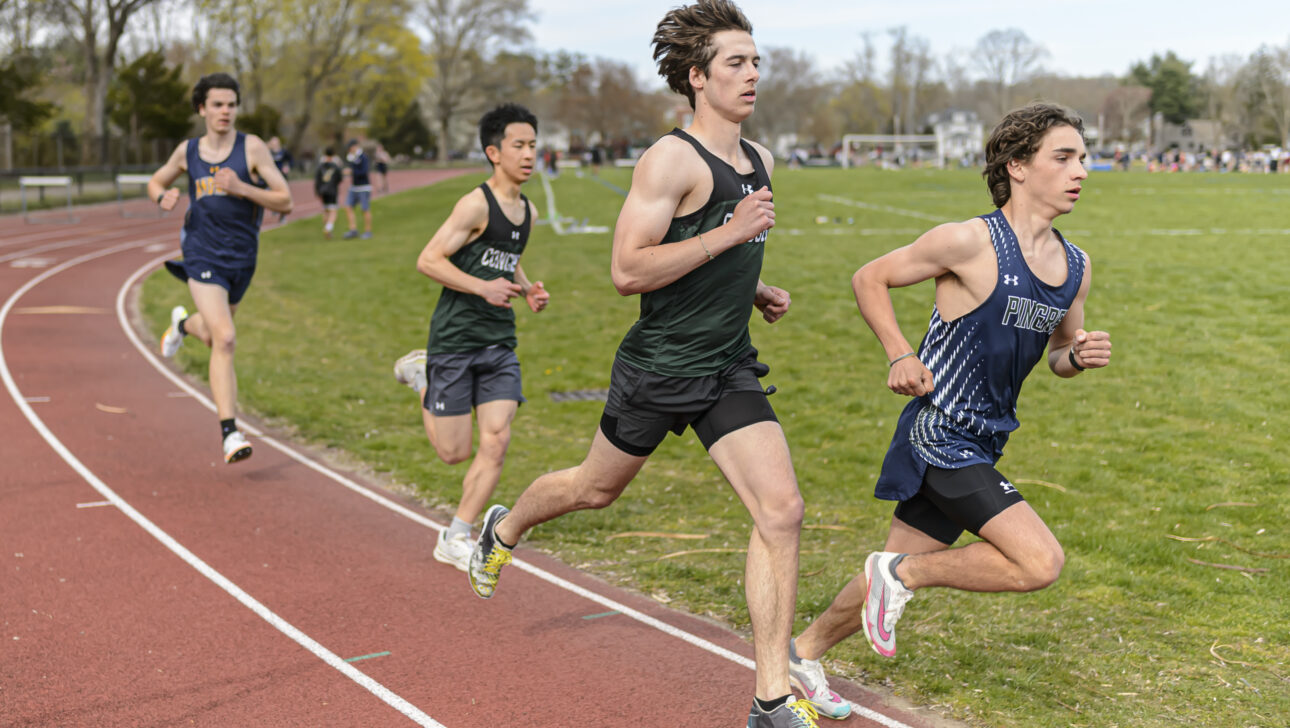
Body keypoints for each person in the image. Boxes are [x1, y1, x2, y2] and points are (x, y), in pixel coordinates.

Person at [466, 4, 820, 726]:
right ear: (697, 77)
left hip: (725, 366)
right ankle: (503, 528)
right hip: (659, 368)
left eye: (756, 61)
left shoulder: (761, 162)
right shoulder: (670, 159)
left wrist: (754, 289)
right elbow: (627, 270)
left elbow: (710, 251)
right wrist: (730, 236)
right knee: (593, 491)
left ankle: (772, 697)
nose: (753, 74)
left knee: (782, 510)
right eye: (735, 63)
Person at [786, 103, 1112, 705]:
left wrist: (1080, 356)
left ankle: (800, 654)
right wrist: (898, 353)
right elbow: (869, 277)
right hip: (939, 435)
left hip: (984, 440)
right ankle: (903, 578)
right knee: (1039, 562)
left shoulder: (1075, 267)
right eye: (1063, 157)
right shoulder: (968, 241)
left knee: (884, 566)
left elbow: (1062, 353)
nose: (1081, 171)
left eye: (1084, 158)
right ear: (1018, 165)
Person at [391, 103, 550, 571]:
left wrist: (526, 289)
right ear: (493, 152)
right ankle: (423, 379)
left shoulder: (528, 211)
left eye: (533, 146)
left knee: (497, 439)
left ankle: (457, 532)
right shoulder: (475, 204)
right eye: (518, 146)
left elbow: (503, 258)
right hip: (456, 338)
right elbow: (429, 259)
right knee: (452, 453)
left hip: (499, 341)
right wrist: (482, 287)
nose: (528, 154)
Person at [151, 72, 293, 463]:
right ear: (202, 109)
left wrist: (242, 188)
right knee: (227, 338)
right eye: (217, 104)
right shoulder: (189, 151)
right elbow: (156, 181)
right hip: (201, 252)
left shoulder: (253, 149)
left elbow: (285, 201)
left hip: (242, 257)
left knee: (215, 338)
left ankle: (183, 325)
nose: (225, 111)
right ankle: (230, 433)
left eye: (231, 104)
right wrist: (163, 195)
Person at [342, 139, 373, 239]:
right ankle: (353, 229)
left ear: (355, 146)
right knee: (348, 206)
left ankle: (368, 231)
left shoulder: (363, 157)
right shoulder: (351, 158)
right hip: (354, 187)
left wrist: (351, 172)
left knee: (365, 209)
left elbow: (363, 171)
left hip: (363, 187)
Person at [314, 146, 343, 238]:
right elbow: (340, 178)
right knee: (333, 211)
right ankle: (328, 228)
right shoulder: (335, 166)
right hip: (332, 191)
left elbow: (317, 180)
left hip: (323, 191)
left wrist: (318, 191)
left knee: (326, 210)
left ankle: (327, 230)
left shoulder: (320, 166)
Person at [267, 135, 293, 222]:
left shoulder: (284, 152)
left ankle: (282, 215)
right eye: (273, 142)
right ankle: (274, 209)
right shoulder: (268, 152)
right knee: (271, 195)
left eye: (276, 142)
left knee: (283, 196)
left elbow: (291, 160)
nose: (274, 143)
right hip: (271, 177)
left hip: (282, 177)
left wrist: (288, 166)